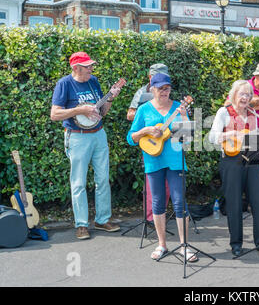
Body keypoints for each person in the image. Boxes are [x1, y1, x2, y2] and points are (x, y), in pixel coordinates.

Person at [127, 73, 198, 262]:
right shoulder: (143, 110)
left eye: (167, 88)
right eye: (160, 88)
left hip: (176, 161)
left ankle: (184, 246)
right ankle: (162, 245)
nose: (164, 92)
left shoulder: (178, 108)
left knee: (179, 203)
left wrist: (184, 117)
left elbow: (190, 136)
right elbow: (131, 137)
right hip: (153, 161)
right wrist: (145, 131)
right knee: (157, 203)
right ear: (152, 89)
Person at [50, 51, 122, 240]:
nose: (91, 69)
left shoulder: (93, 81)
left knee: (103, 179)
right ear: (76, 68)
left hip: (98, 134)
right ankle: (81, 224)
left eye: (91, 65)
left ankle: (102, 219)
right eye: (87, 66)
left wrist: (111, 97)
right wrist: (79, 109)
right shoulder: (64, 84)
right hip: (77, 137)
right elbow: (54, 114)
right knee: (79, 183)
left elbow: (102, 111)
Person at [209, 80, 259, 258]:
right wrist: (230, 134)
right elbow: (212, 137)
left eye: (248, 94)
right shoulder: (224, 112)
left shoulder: (253, 113)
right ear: (234, 94)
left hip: (252, 160)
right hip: (231, 161)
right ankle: (236, 243)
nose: (246, 97)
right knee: (234, 203)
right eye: (242, 94)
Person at [127, 63, 170, 222]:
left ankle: (160, 215)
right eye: (157, 76)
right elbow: (130, 114)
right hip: (149, 140)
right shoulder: (141, 93)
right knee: (153, 184)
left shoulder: (167, 90)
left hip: (166, 141)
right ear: (150, 77)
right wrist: (146, 113)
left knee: (166, 184)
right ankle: (151, 218)